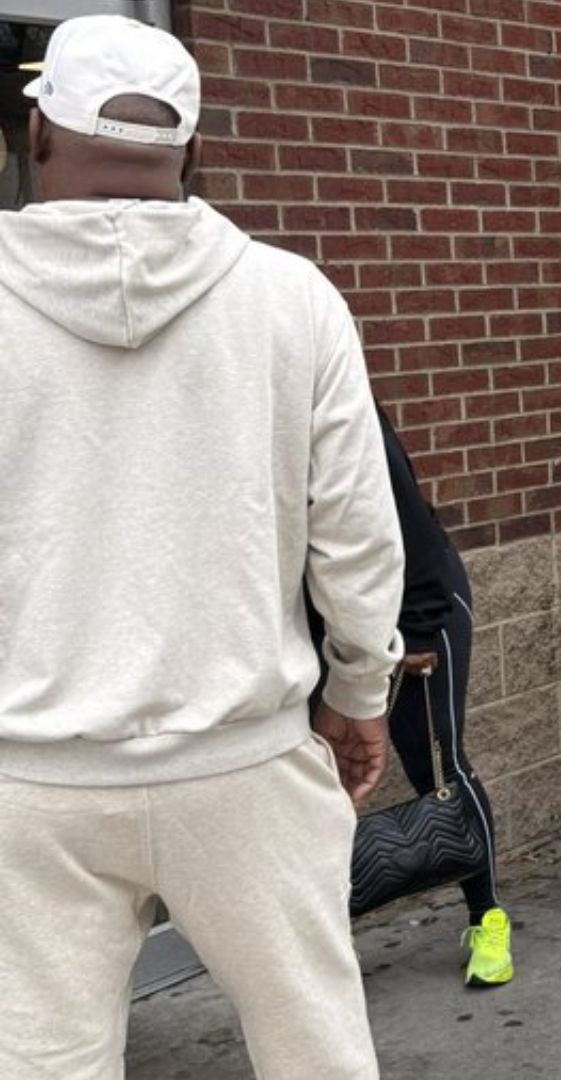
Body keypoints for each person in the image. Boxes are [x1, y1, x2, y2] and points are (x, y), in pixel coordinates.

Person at [0, 16, 402, 1078]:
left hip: (25, 779)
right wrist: (359, 693)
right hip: (245, 759)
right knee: (316, 1048)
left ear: (33, 130)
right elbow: (357, 533)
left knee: (39, 1059)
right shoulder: (291, 298)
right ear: (196, 149)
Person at [312, 410, 515, 987]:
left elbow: (407, 517)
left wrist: (421, 629)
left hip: (417, 603)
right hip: (323, 622)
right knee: (313, 777)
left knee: (436, 762)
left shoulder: (335, 397)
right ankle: (327, 936)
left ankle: (488, 917)